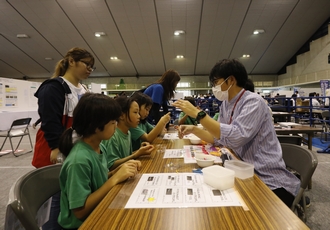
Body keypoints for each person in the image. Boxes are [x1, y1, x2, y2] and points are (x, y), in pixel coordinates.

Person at [173, 59, 300, 208]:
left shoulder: (254, 102)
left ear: (231, 80)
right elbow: (217, 138)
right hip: (241, 170)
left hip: (266, 179)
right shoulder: (226, 104)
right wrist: (194, 129)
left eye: (216, 82)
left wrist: (198, 114)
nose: (214, 87)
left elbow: (236, 137)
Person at [58, 93, 141, 229]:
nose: (116, 126)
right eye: (113, 122)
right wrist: (114, 180)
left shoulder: (99, 146)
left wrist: (117, 172)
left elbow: (98, 180)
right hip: (83, 224)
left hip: (99, 210)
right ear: (96, 126)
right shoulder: (79, 161)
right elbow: (80, 211)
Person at [32, 47, 95, 230]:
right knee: (55, 200)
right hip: (56, 150)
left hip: (75, 149)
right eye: (86, 64)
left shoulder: (83, 89)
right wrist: (55, 147)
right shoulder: (54, 87)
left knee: (69, 196)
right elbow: (49, 120)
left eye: (92, 66)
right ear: (71, 61)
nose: (90, 69)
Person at [102, 96, 154, 170]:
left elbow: (126, 156)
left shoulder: (128, 133)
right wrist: (135, 155)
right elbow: (111, 165)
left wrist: (139, 151)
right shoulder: (112, 136)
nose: (139, 116)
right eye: (135, 112)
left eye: (138, 113)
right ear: (121, 115)